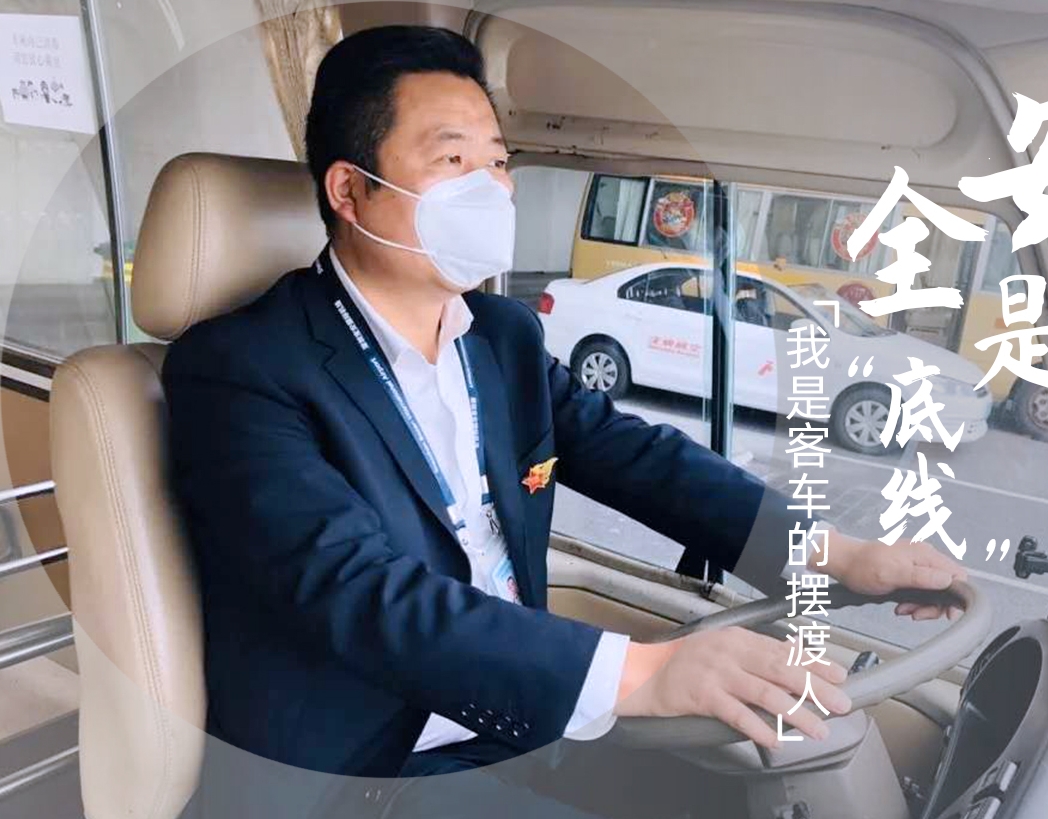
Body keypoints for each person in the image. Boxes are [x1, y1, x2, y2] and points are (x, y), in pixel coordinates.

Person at [163, 25, 966, 819]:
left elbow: (642, 460)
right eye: (452, 161)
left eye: (498, 161)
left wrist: (832, 554)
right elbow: (358, 591)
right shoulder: (240, 370)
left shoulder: (500, 338)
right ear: (349, 190)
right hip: (365, 773)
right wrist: (641, 672)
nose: (492, 189)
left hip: (518, 722)